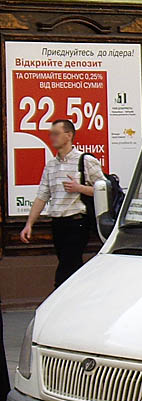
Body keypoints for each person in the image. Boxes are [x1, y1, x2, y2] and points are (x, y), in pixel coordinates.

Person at [19, 119, 104, 288]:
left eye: (56, 134)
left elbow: (103, 189)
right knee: (70, 265)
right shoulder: (51, 165)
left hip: (77, 221)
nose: (52, 138)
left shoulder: (85, 160)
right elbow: (42, 196)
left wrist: (79, 188)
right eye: (51, 134)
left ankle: (58, 297)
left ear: (69, 135)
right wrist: (29, 224)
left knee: (67, 266)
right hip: (58, 223)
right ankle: (81, 295)